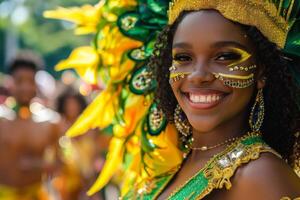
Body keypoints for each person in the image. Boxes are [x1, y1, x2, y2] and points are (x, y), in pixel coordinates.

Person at [124, 1, 300, 199]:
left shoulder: (260, 175)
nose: (198, 76)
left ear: (261, 72)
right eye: (183, 57)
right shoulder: (168, 168)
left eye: (224, 56)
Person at [0, 52, 60, 200]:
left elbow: (61, 163)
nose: (25, 87)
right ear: (11, 83)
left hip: (36, 195)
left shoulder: (50, 122)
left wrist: (38, 164)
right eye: (19, 81)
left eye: (30, 81)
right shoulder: (1, 120)